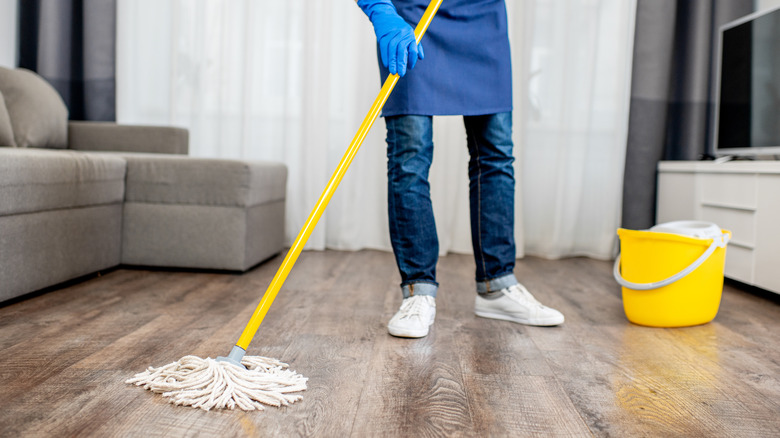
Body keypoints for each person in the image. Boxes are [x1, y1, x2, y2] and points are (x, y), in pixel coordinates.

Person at [357, 0, 564, 338]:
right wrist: (381, 10)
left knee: (495, 154)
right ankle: (417, 291)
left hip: (482, 17)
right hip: (412, 16)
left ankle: (497, 285)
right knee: (410, 156)